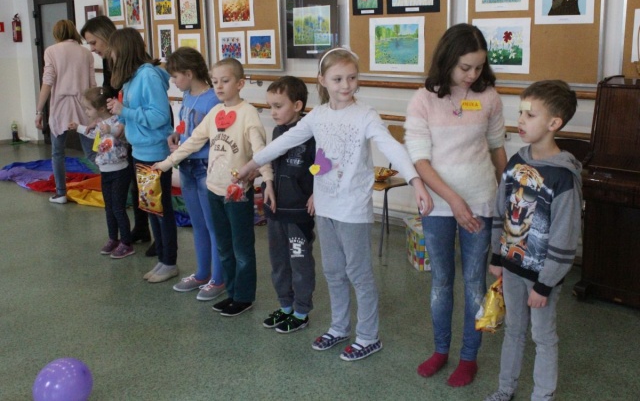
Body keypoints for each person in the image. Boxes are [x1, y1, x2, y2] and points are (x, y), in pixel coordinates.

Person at [235, 48, 433, 361]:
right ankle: (339, 327)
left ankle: (368, 336)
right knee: (333, 272)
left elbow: (392, 148)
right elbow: (283, 142)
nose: (346, 85)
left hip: (352, 210)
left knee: (359, 274)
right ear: (322, 80)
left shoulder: (365, 115)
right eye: (338, 79)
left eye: (352, 78)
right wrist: (251, 165)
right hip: (325, 207)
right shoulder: (318, 116)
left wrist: (416, 181)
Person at [404, 23, 507, 386]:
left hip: (481, 202)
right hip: (439, 205)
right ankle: (440, 350)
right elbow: (420, 160)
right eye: (465, 67)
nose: (472, 74)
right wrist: (453, 200)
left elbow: (497, 149)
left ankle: (468, 357)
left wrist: (507, 195)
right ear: (447, 60)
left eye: (479, 67)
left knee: (475, 283)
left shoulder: (489, 97)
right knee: (441, 281)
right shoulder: (422, 100)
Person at [484, 80, 582, 401]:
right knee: (513, 330)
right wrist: (497, 257)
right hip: (512, 267)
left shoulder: (562, 176)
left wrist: (545, 284)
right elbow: (501, 211)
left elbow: (565, 236)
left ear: (554, 123)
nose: (521, 120)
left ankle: (542, 396)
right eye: (520, 113)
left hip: (542, 278)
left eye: (530, 114)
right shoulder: (515, 162)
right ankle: (505, 389)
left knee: (543, 337)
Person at [154, 58, 274, 316]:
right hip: (213, 190)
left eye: (225, 81)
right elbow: (192, 142)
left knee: (242, 248)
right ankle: (231, 292)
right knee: (224, 246)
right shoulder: (215, 112)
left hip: (237, 193)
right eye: (216, 81)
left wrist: (268, 180)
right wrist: (165, 164)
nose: (219, 86)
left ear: (240, 83)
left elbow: (260, 150)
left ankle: (244, 297)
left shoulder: (248, 113)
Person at [105, 28, 178, 283]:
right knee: (150, 207)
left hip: (154, 152)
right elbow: (134, 112)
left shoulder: (147, 75)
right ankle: (163, 259)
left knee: (160, 210)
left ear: (123, 50)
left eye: (113, 51)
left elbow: (160, 116)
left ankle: (169, 261)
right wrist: (120, 117)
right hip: (141, 151)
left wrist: (125, 111)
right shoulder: (131, 78)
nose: (111, 56)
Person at [81, 15, 152, 248]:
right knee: (135, 181)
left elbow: (128, 98)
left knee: (144, 182)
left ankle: (155, 235)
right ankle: (141, 227)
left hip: (135, 126)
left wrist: (119, 120)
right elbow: (111, 92)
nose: (92, 49)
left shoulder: (139, 69)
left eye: (94, 42)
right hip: (124, 123)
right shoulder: (110, 62)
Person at [164, 47, 225, 301]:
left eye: (176, 76)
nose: (173, 81)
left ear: (189, 74)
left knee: (213, 226)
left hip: (204, 167)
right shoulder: (188, 95)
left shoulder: (213, 100)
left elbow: (216, 138)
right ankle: (202, 273)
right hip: (187, 166)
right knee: (197, 223)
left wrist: (186, 146)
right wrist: (176, 135)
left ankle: (219, 278)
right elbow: (185, 124)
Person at [259, 76, 317, 334]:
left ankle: (301, 311)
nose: (273, 112)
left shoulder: (312, 134)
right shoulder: (277, 131)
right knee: (279, 262)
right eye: (270, 106)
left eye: (278, 106)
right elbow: (270, 163)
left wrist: (317, 193)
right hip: (275, 211)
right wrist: (268, 184)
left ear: (297, 105)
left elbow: (320, 166)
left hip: (298, 213)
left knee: (300, 263)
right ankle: (285, 306)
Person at [69, 86, 135, 259]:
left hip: (120, 170)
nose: (86, 112)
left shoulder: (118, 120)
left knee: (118, 208)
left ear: (100, 109)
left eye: (88, 109)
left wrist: (110, 130)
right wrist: (78, 127)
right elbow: (93, 134)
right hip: (105, 171)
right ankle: (113, 238)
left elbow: (122, 135)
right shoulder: (98, 124)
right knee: (109, 207)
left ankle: (126, 243)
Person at [35, 19, 96, 204]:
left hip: (60, 107)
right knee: (92, 152)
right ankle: (114, 185)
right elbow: (92, 84)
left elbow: (48, 82)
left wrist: (39, 111)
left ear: (56, 34)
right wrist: (97, 112)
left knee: (57, 153)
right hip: (84, 105)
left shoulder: (51, 51)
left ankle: (61, 193)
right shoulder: (86, 53)